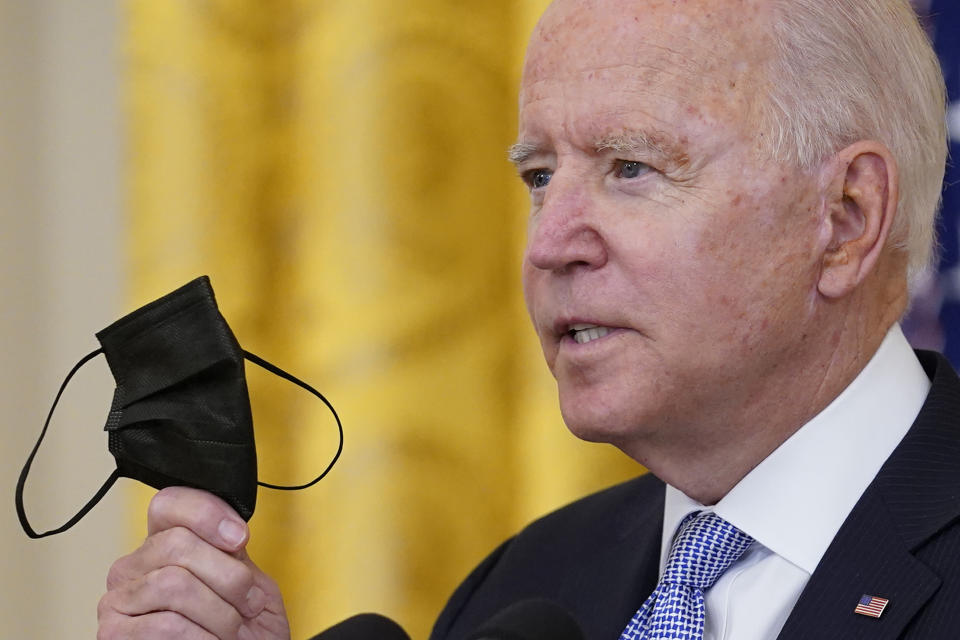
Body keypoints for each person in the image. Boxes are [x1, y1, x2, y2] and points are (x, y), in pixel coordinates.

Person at [96, 0, 952, 638]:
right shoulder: (520, 592)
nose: (550, 244)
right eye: (540, 177)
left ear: (844, 218)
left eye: (631, 167)